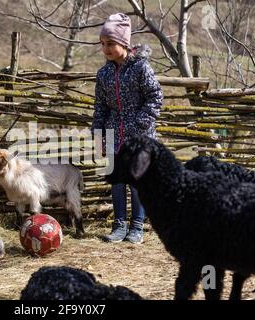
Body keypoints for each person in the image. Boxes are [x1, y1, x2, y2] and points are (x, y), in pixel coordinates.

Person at [91, 13, 163, 244]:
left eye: (111, 43)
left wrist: (139, 124)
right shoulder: (103, 74)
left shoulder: (141, 68)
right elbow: (101, 106)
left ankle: (137, 226)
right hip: (113, 134)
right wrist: (98, 135)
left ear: (124, 43)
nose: (106, 49)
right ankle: (119, 225)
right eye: (103, 44)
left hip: (139, 137)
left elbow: (155, 97)